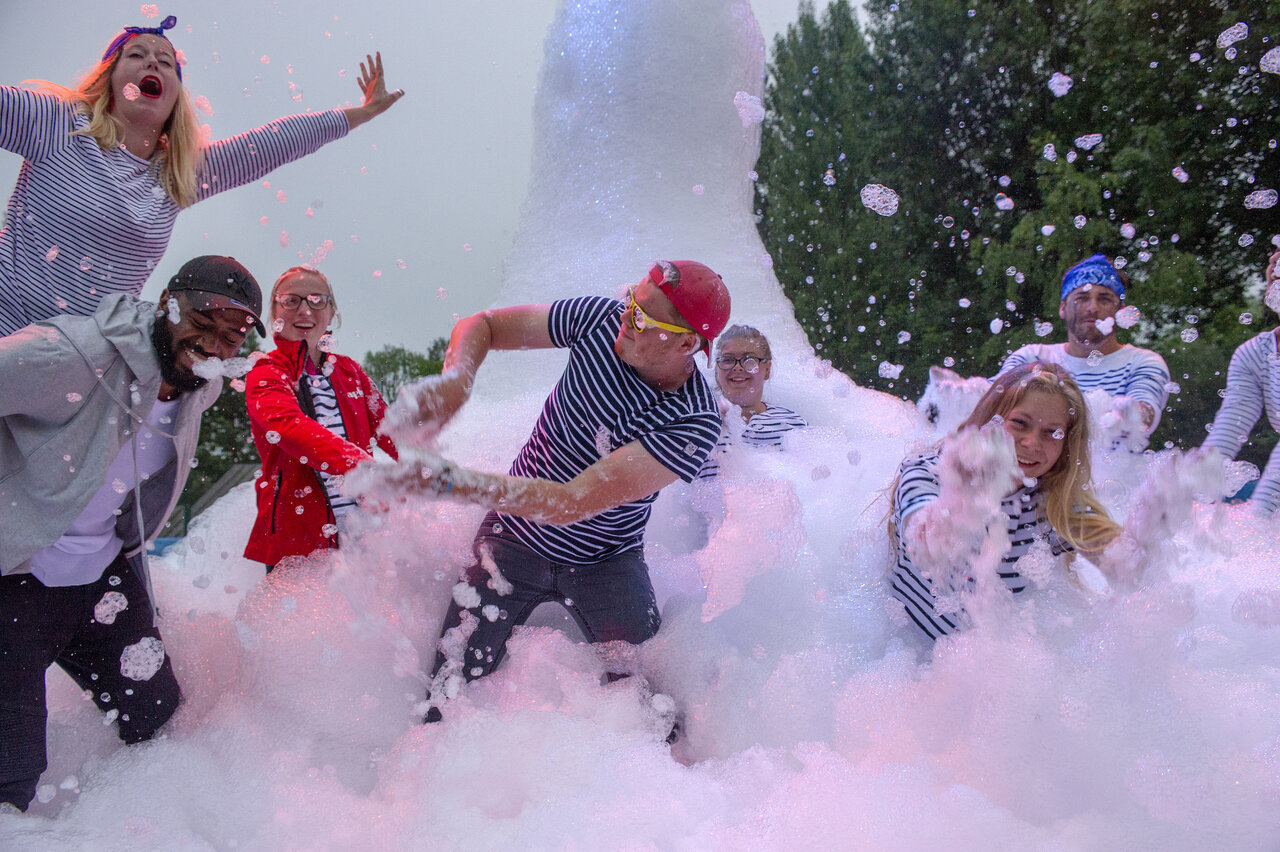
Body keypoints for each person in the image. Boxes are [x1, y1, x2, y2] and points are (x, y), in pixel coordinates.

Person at [372, 260, 730, 720]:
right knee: (443, 698)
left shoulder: (692, 422)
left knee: (652, 716)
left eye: (643, 317)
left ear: (686, 342)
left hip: (606, 562)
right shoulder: (599, 320)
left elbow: (571, 501)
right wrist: (457, 380)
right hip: (512, 537)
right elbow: (483, 325)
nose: (626, 316)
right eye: (631, 300)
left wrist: (454, 482)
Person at [0, 255, 264, 812]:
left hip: (100, 579)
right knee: (12, 774)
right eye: (204, 321)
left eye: (233, 334)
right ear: (169, 301)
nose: (215, 345)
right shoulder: (73, 354)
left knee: (159, 723)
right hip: (15, 579)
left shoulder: (200, 385)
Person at [0, 14, 403, 335]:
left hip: (79, 367)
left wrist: (361, 114)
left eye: (166, 62)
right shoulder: (58, 125)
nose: (153, 61)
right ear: (110, 79)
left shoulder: (175, 178)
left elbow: (269, 144)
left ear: (175, 94)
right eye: (136, 55)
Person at [888, 361, 1121, 641]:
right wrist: (962, 495)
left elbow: (1126, 562)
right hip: (899, 655)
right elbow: (925, 545)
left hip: (984, 667)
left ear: (1066, 446)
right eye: (1020, 423)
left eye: (1052, 433)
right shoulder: (928, 473)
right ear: (991, 418)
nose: (1032, 443)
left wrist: (1154, 525)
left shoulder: (1053, 505)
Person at [243, 266, 398, 568]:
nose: (304, 310)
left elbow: (392, 431)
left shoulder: (349, 371)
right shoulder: (266, 371)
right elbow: (289, 427)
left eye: (317, 300)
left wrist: (431, 466)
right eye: (291, 301)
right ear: (274, 311)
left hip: (364, 535)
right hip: (298, 543)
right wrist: (364, 466)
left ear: (331, 314)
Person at [997, 254, 1170, 440]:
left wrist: (1131, 415)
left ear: (1121, 310)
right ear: (1063, 307)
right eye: (1082, 297)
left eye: (1104, 299)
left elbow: (1145, 414)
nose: (1093, 308)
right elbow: (989, 402)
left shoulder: (1142, 362)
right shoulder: (1031, 357)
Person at [1203, 249, 1280, 517]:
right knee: (1258, 524)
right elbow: (1227, 430)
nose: (1276, 265)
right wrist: (1188, 488)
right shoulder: (1255, 354)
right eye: (1275, 258)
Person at [697, 324, 806, 478]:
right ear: (717, 368)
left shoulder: (791, 424)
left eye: (749, 360)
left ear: (767, 369)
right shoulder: (699, 422)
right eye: (728, 360)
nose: (737, 367)